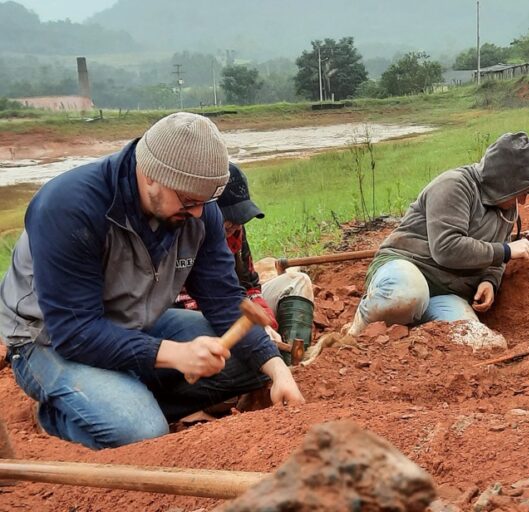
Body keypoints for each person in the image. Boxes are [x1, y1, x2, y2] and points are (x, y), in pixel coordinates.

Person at [0, 112, 305, 450]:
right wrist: (173, 354)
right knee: (141, 432)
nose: (199, 214)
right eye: (189, 201)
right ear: (150, 177)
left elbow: (222, 298)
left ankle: (121, 396)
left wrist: (277, 370)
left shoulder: (197, 210)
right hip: (48, 340)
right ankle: (60, 416)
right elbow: (75, 332)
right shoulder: (69, 208)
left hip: (135, 324)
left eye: (205, 203)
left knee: (254, 363)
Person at [346, 132, 529, 336]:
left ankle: (408, 330)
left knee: (479, 342)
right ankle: (356, 331)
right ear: (505, 182)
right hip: (408, 267)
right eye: (522, 192)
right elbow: (446, 248)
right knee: (405, 297)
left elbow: (497, 258)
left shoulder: (507, 209)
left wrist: (489, 281)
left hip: (447, 292)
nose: (523, 201)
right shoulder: (454, 186)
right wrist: (505, 250)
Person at [175, 163, 315, 364]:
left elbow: (249, 286)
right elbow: (191, 305)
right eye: (229, 221)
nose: (236, 227)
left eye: (240, 220)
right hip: (206, 320)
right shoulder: (187, 238)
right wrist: (251, 327)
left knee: (298, 281)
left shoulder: (236, 234)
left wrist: (265, 322)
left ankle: (289, 361)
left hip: (237, 309)